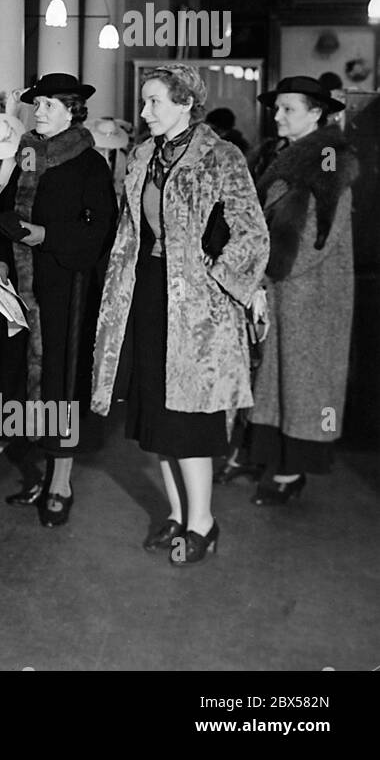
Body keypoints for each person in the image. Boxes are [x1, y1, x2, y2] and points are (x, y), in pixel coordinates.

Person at [92, 64, 269, 564]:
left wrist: (218, 274)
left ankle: (202, 523)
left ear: (186, 103)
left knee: (188, 422)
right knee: (156, 420)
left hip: (198, 311)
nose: (145, 111)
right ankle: (176, 515)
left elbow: (253, 233)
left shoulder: (221, 157)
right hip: (147, 295)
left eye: (155, 101)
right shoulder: (143, 155)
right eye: (144, 101)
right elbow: (131, 231)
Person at [218, 77, 357, 503]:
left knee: (303, 384)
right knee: (270, 378)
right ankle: (259, 455)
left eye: (288, 109)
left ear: (317, 113)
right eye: (276, 108)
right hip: (279, 288)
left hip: (312, 293)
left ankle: (291, 470)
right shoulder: (277, 153)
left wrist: (267, 273)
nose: (277, 116)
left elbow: (321, 233)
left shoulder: (329, 156)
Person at [0, 73, 117, 527]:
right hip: (25, 291)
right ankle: (41, 472)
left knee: (61, 381)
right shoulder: (27, 156)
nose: (38, 112)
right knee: (28, 382)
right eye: (37, 104)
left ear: (71, 112)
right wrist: (1, 262)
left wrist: (45, 235)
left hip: (67, 290)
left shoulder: (89, 163)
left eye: (48, 105)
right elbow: (4, 212)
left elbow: (100, 229)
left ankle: (60, 482)